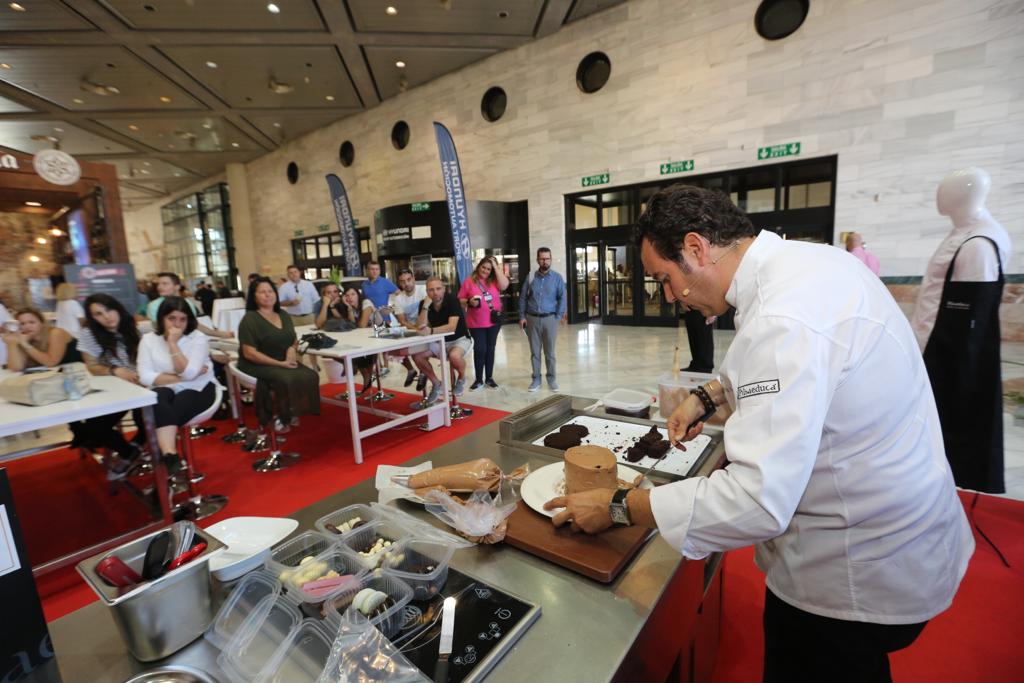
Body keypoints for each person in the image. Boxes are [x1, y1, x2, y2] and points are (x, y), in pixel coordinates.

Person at [544, 184, 974, 683]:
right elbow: (770, 369)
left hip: (855, 567)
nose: (669, 297)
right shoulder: (802, 265)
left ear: (696, 249)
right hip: (904, 528)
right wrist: (706, 397)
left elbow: (757, 499)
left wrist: (619, 505)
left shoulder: (783, 315)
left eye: (665, 279)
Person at [910, 167, 1011, 494]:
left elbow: (970, 318)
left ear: (964, 195)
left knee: (949, 426)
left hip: (949, 353)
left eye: (946, 189)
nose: (939, 196)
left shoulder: (979, 242)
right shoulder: (963, 233)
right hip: (932, 345)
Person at [137, 297, 219, 475]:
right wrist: (181, 376)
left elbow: (190, 375)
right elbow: (145, 376)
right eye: (172, 318)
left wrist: (173, 344)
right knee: (157, 399)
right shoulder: (148, 340)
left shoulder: (197, 338)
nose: (177, 324)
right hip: (166, 390)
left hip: (200, 388)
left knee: (158, 414)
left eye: (183, 319)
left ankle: (164, 459)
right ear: (161, 319)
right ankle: (170, 454)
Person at [75, 293, 147, 478]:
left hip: (145, 384)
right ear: (92, 318)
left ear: (117, 308)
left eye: (109, 310)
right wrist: (116, 370)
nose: (107, 317)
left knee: (148, 420)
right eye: (98, 314)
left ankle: (137, 447)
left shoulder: (133, 325)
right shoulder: (89, 334)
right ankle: (128, 452)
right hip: (116, 387)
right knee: (95, 426)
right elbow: (92, 366)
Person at [236, 277, 321, 429]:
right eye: (262, 292)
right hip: (256, 363)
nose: (267, 295)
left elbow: (293, 339)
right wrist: (280, 364)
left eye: (270, 291)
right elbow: (249, 353)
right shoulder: (250, 319)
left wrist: (291, 348)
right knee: (286, 378)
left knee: (310, 375)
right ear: (254, 296)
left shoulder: (283, 314)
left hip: (282, 359)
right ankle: (282, 415)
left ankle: (292, 411)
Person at [411, 276, 472, 404]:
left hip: (459, 339)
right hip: (439, 341)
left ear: (444, 289)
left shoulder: (452, 300)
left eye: (438, 289)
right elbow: (420, 326)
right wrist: (426, 307)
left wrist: (431, 331)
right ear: (427, 292)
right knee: (417, 356)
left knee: (454, 356)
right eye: (431, 290)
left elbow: (452, 327)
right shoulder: (424, 303)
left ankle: (461, 378)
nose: (435, 292)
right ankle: (436, 383)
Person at [518, 247, 566, 392]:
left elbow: (562, 298)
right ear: (537, 259)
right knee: (535, 352)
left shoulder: (557, 278)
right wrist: (521, 316)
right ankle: (536, 380)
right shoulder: (531, 277)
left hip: (549, 319)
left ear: (551, 259)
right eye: (542, 258)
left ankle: (551, 379)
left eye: (547, 258)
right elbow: (523, 297)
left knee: (550, 353)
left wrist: (557, 316)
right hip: (532, 319)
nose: (545, 261)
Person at [458, 255, 509, 390]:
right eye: (484, 267)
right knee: (480, 349)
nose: (485, 271)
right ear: (479, 266)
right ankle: (479, 379)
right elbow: (460, 300)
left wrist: (496, 268)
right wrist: (469, 302)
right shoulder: (469, 281)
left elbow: (505, 285)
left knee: (490, 349)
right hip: (476, 323)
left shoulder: (495, 280)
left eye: (489, 269)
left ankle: (489, 378)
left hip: (494, 322)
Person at [146, 272, 233, 340]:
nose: (159, 287)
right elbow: (161, 329)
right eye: (159, 284)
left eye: (165, 284)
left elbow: (194, 325)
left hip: (190, 340)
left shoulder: (188, 303)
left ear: (177, 286)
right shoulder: (154, 306)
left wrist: (220, 334)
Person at [2, 307, 80, 370]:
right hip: (56, 375)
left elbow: (51, 362)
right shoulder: (24, 337)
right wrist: (12, 344)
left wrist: (26, 345)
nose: (27, 326)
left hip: (80, 371)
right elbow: (16, 368)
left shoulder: (55, 333)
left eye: (32, 322)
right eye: (22, 323)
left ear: (42, 323)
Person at [389, 269, 427, 387]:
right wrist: (415, 329)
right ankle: (411, 370)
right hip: (410, 329)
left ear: (414, 279)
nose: (406, 283)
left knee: (420, 350)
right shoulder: (398, 299)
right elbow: (402, 321)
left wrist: (420, 328)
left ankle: (423, 372)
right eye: (402, 281)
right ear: (399, 284)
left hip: (426, 325)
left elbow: (428, 313)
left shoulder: (424, 290)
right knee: (392, 349)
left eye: (409, 280)